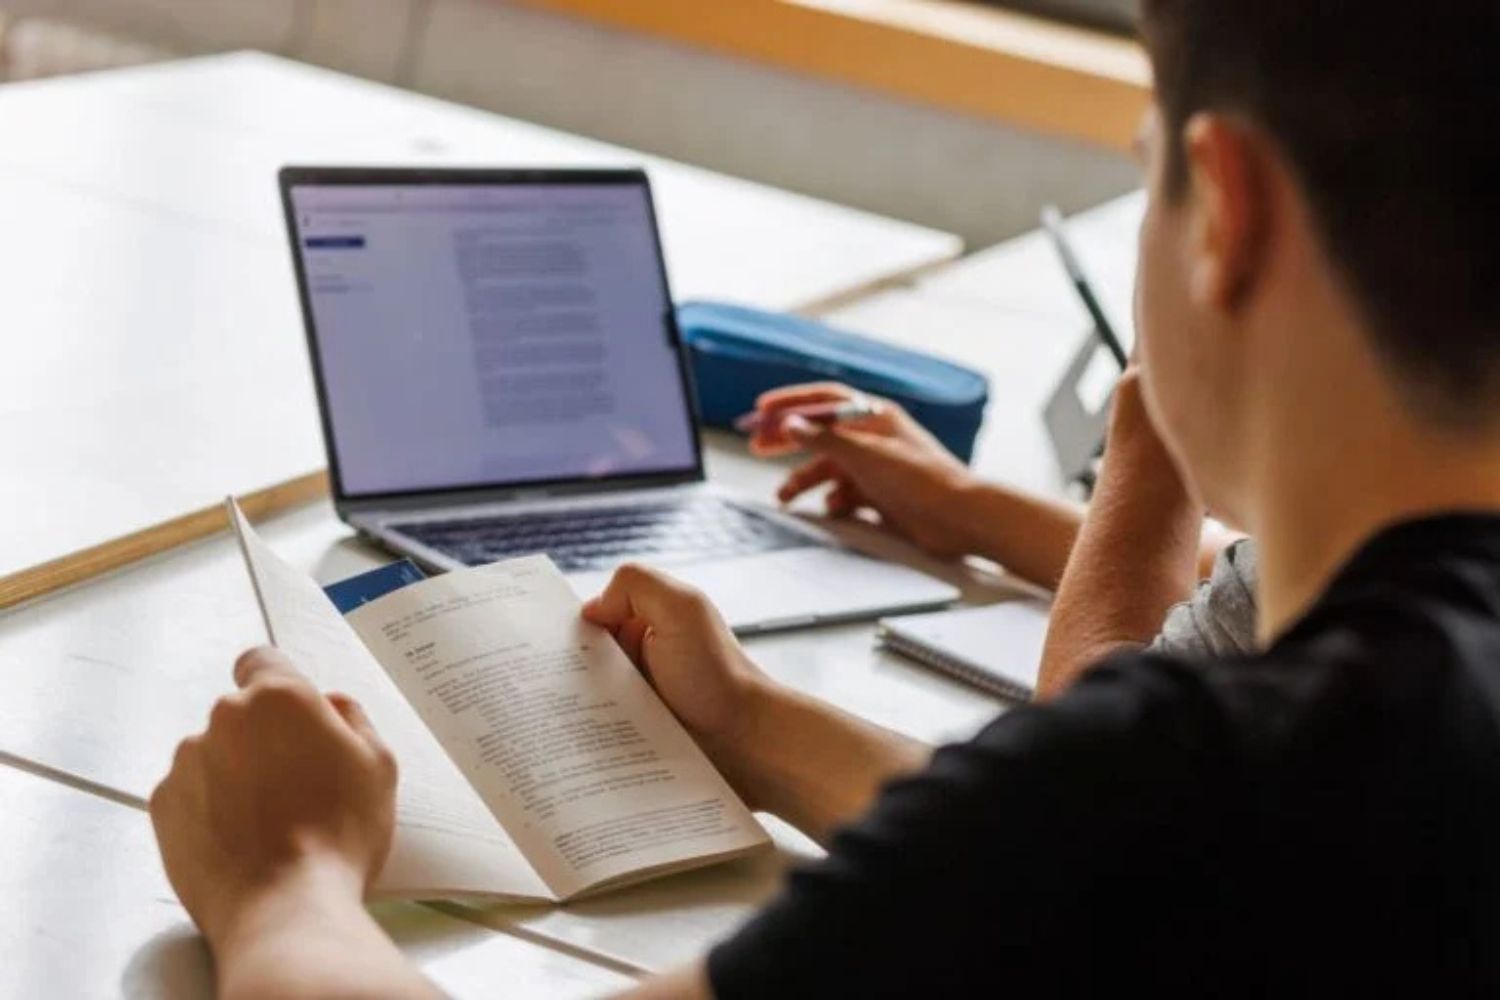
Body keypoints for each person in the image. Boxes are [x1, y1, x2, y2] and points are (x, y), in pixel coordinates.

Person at [149, 0, 1500, 994]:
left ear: (1226, 216)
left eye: (1145, 173)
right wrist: (753, 727)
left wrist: (286, 883)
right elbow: (1063, 869)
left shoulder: (1197, 783)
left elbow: (1095, 826)